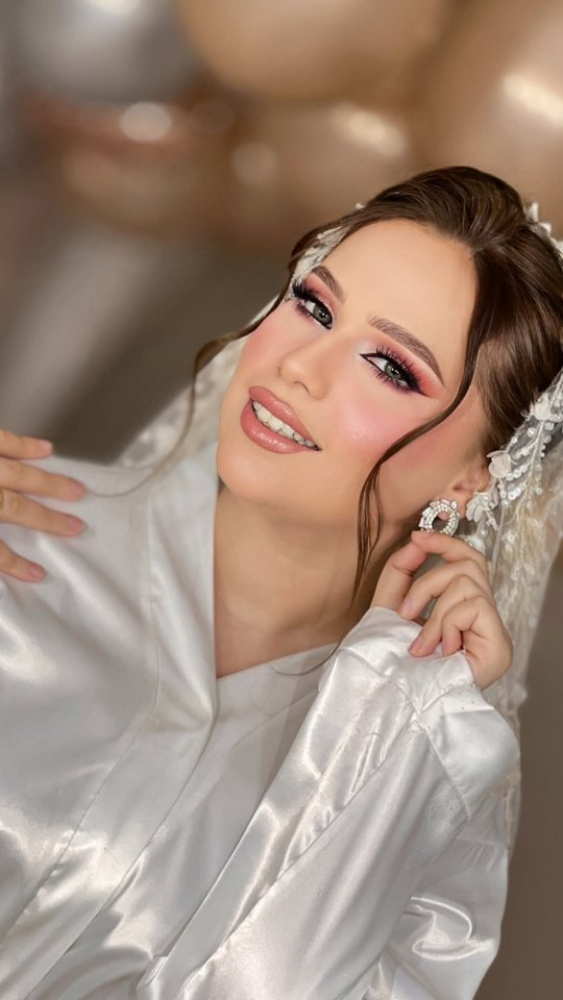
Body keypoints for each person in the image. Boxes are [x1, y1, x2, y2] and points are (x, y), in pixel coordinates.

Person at [0, 165, 561, 999]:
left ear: (475, 475)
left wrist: (392, 724)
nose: (301, 365)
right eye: (314, 305)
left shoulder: (430, 759)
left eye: (390, 366)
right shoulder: (23, 544)